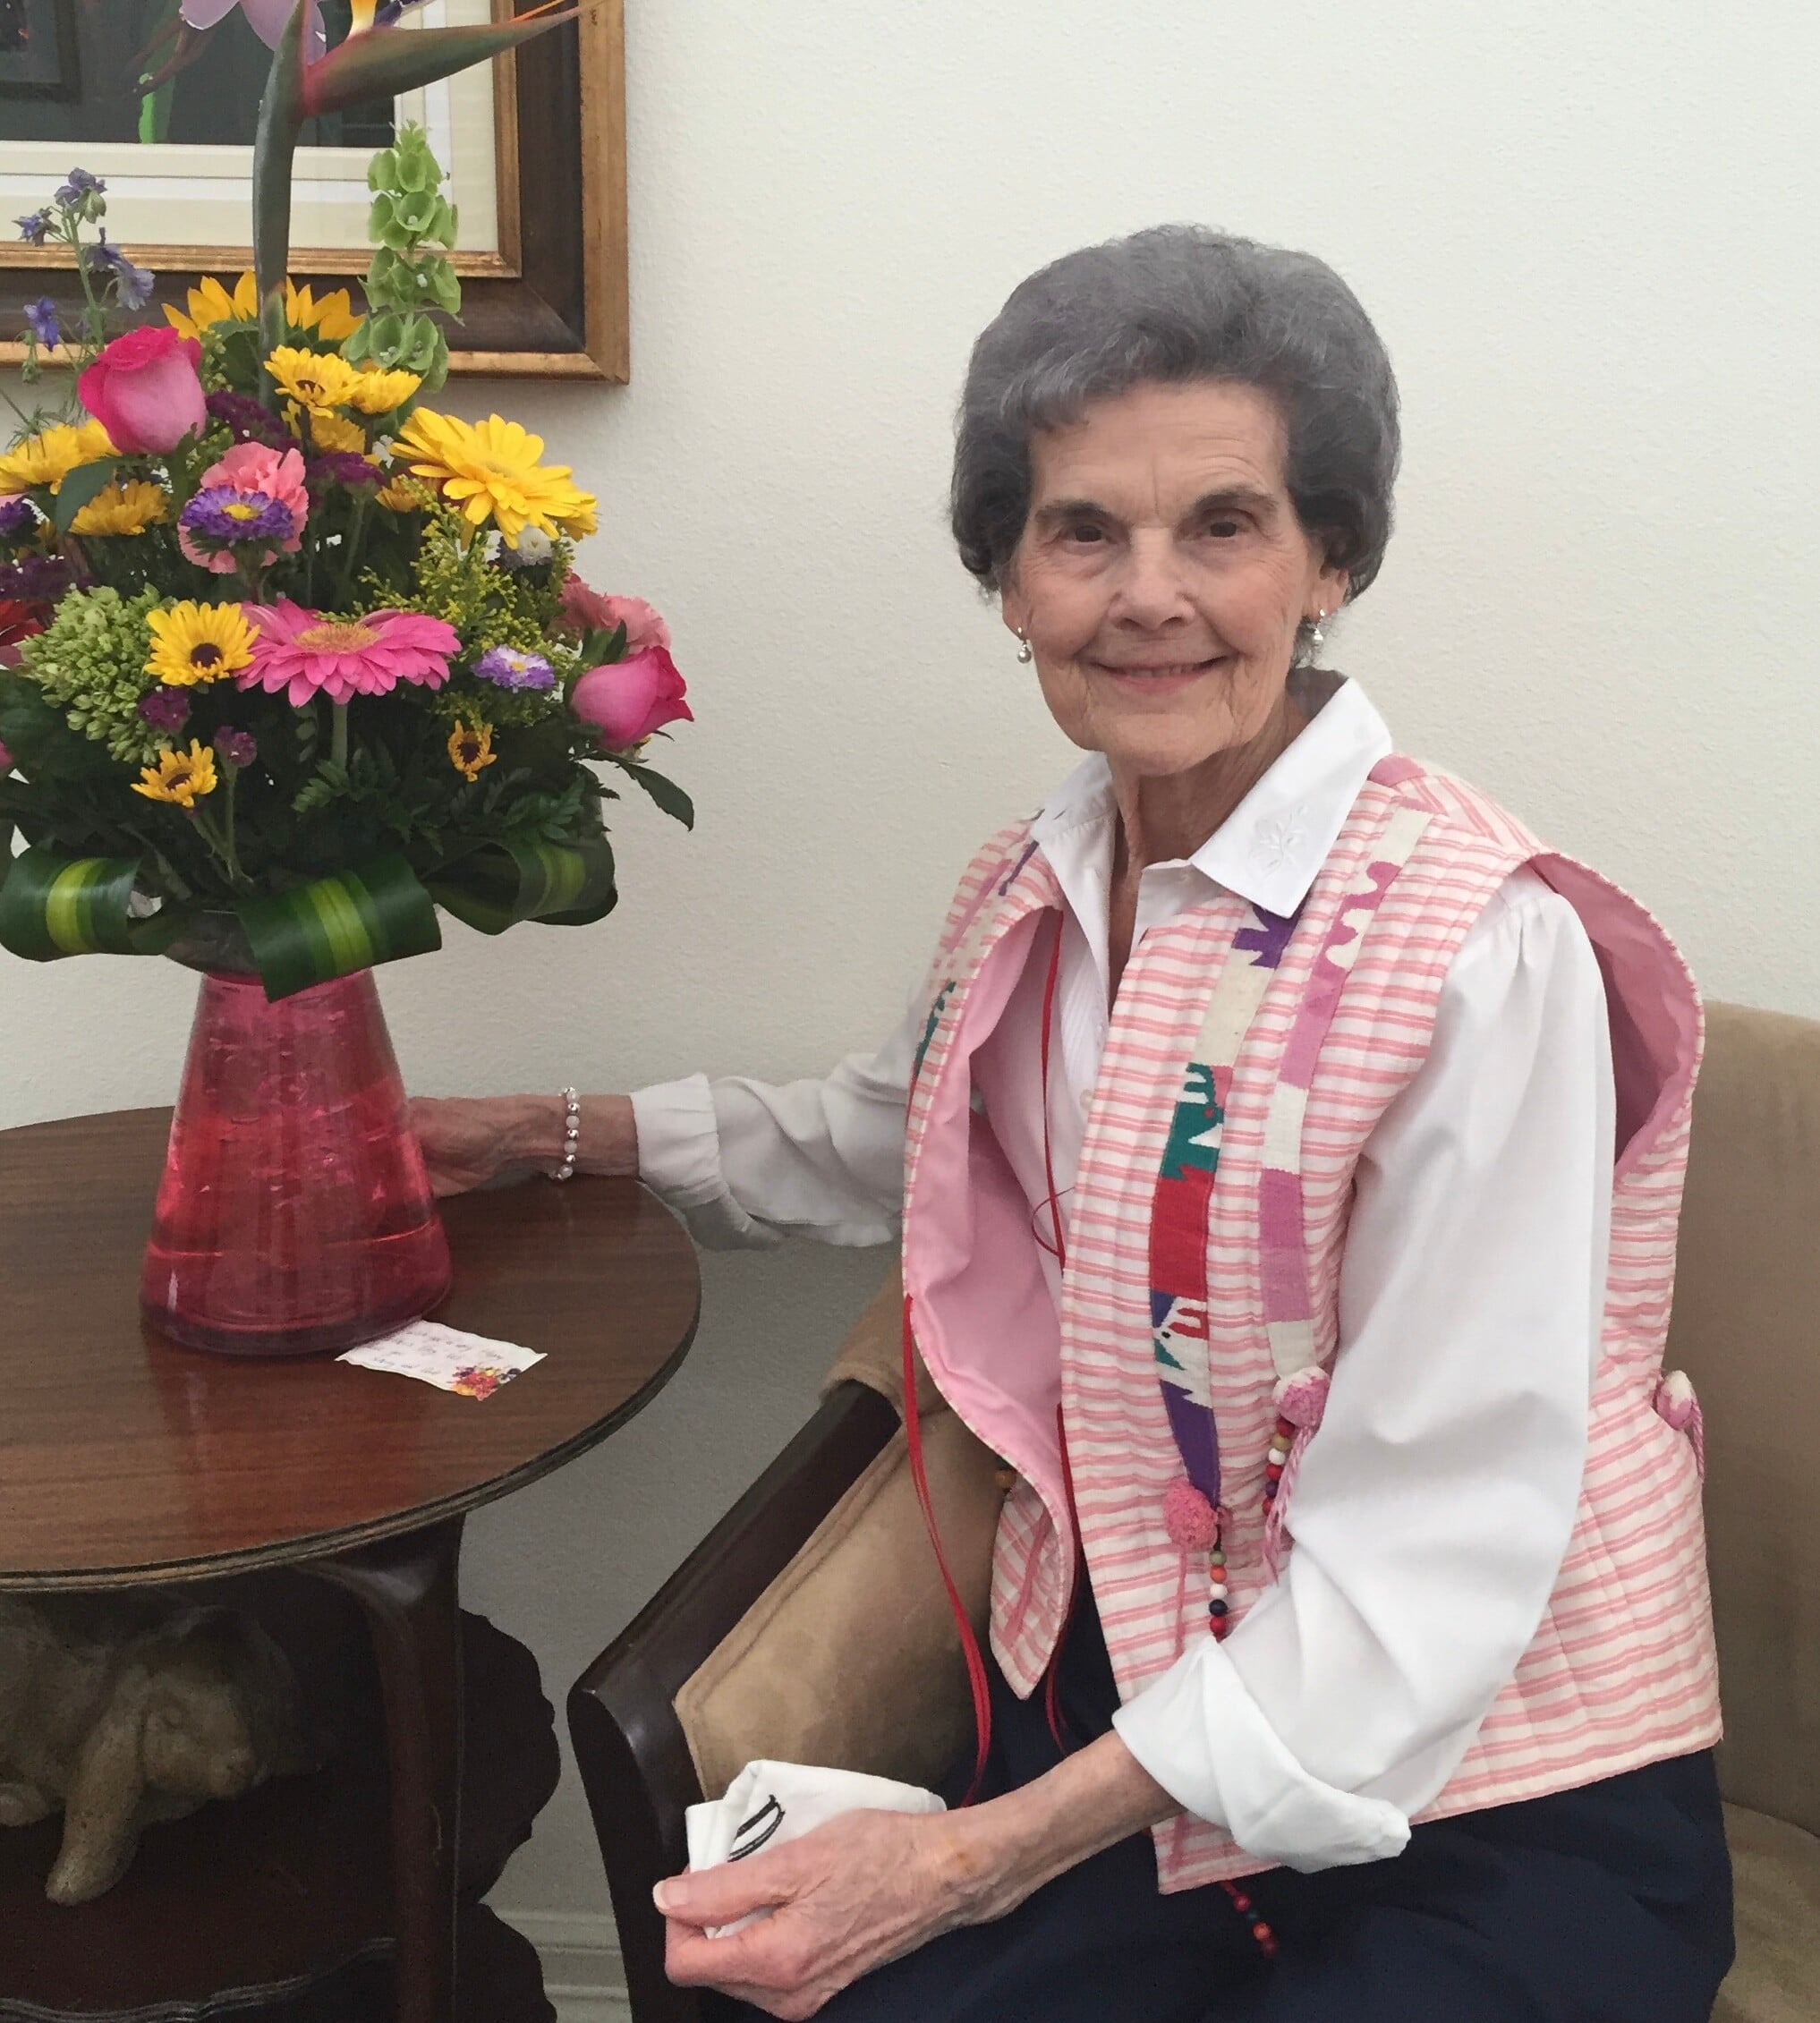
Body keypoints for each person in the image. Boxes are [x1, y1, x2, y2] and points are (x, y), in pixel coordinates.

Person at [412, 225, 1732, 2023]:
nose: (1147, 595)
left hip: (1498, 1785)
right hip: (1150, 1716)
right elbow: (894, 1140)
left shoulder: (1479, 949)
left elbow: (1429, 1557)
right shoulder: (1032, 886)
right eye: (1081, 531)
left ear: (1331, 557)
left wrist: (967, 1860)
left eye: (1224, 525)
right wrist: (547, 1133)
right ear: (1009, 582)